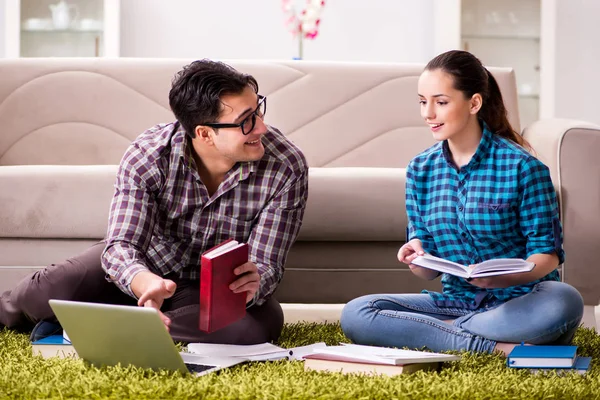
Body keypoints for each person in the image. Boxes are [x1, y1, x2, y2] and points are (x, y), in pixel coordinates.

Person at [0, 59, 309, 344]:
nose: (262, 127)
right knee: (52, 287)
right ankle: (41, 313)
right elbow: (121, 246)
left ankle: (90, 325)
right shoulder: (149, 154)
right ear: (204, 134)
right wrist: (143, 281)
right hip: (146, 268)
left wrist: (254, 284)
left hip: (209, 295)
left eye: (258, 111)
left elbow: (267, 263)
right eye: (246, 121)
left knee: (256, 326)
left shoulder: (286, 165)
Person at [340, 50, 583, 355]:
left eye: (440, 102)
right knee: (359, 312)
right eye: (422, 101)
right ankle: (499, 348)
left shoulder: (523, 168)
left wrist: (504, 277)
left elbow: (547, 256)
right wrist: (416, 254)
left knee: (563, 301)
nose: (428, 113)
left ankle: (445, 336)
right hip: (455, 303)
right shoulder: (420, 170)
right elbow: (427, 270)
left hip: (523, 301)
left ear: (474, 103)